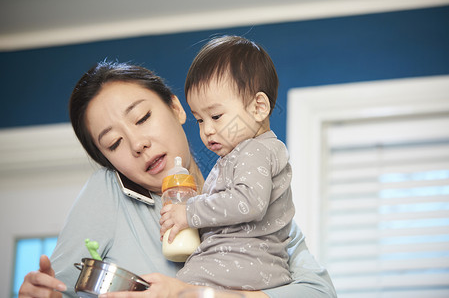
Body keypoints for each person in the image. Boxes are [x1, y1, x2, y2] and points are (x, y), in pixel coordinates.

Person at [18, 61, 337, 298]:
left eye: (142, 118)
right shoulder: (109, 193)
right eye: (114, 143)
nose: (137, 144)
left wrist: (195, 294)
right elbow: (58, 286)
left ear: (176, 108)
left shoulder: (250, 190)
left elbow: (319, 292)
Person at [160, 35, 294, 290]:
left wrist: (189, 212)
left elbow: (248, 203)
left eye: (216, 116)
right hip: (242, 262)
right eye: (199, 120)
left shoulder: (254, 150)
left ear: (259, 107)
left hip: (244, 262)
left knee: (175, 289)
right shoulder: (241, 153)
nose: (207, 130)